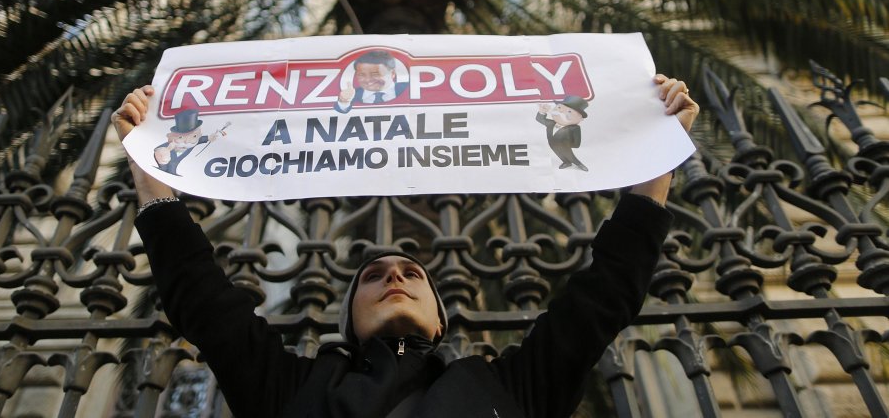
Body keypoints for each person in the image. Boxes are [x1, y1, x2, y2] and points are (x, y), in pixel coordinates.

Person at [112, 73, 698, 418]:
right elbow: (204, 301)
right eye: (373, 275)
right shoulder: (292, 389)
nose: (394, 275)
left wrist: (656, 156)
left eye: (412, 274)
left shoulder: (509, 385)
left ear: (441, 320)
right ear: (348, 320)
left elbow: (604, 296)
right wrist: (149, 172)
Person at [334, 50, 409, 113]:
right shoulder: (352, 96)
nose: (368, 80)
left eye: (375, 74)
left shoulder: (410, 89)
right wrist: (344, 102)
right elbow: (338, 114)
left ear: (392, 74)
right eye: (362, 75)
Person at [536, 96, 590, 172]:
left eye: (569, 111)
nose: (561, 112)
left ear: (581, 118)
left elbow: (577, 143)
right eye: (559, 108)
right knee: (559, 154)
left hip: (565, 146)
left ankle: (579, 164)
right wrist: (542, 111)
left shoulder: (574, 128)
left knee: (571, 156)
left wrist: (567, 145)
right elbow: (540, 119)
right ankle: (566, 162)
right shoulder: (551, 123)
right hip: (552, 144)